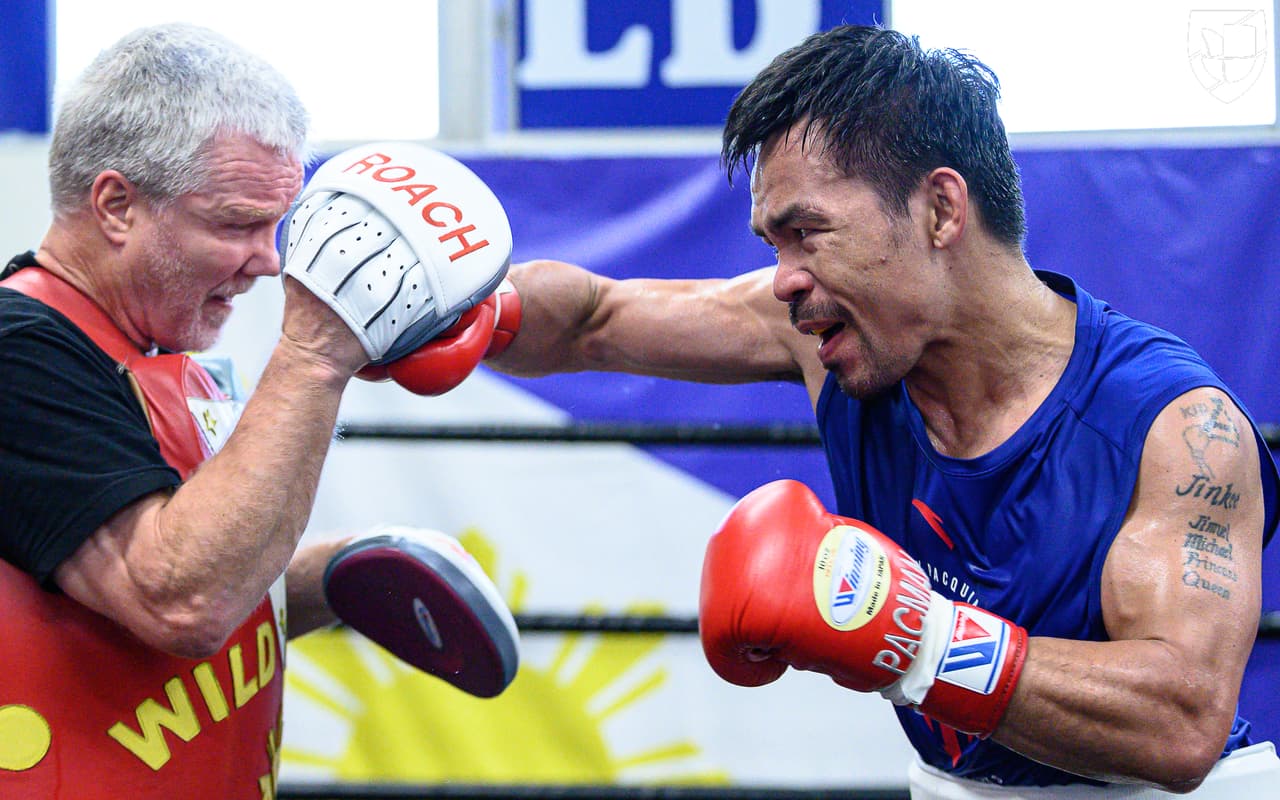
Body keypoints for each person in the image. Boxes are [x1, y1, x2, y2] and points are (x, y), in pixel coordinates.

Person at [481, 25, 1280, 798]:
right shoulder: (828, 329)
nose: (786, 279)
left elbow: (1180, 722)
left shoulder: (1177, 429)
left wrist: (916, 637)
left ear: (939, 210)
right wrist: (470, 305)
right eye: (774, 246)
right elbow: (595, 318)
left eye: (808, 233)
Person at [0, 24, 516, 799]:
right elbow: (181, 598)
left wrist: (335, 576)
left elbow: (205, 574)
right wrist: (314, 354)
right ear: (116, 205)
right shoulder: (20, 350)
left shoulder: (164, 360)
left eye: (276, 225)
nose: (270, 260)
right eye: (236, 223)